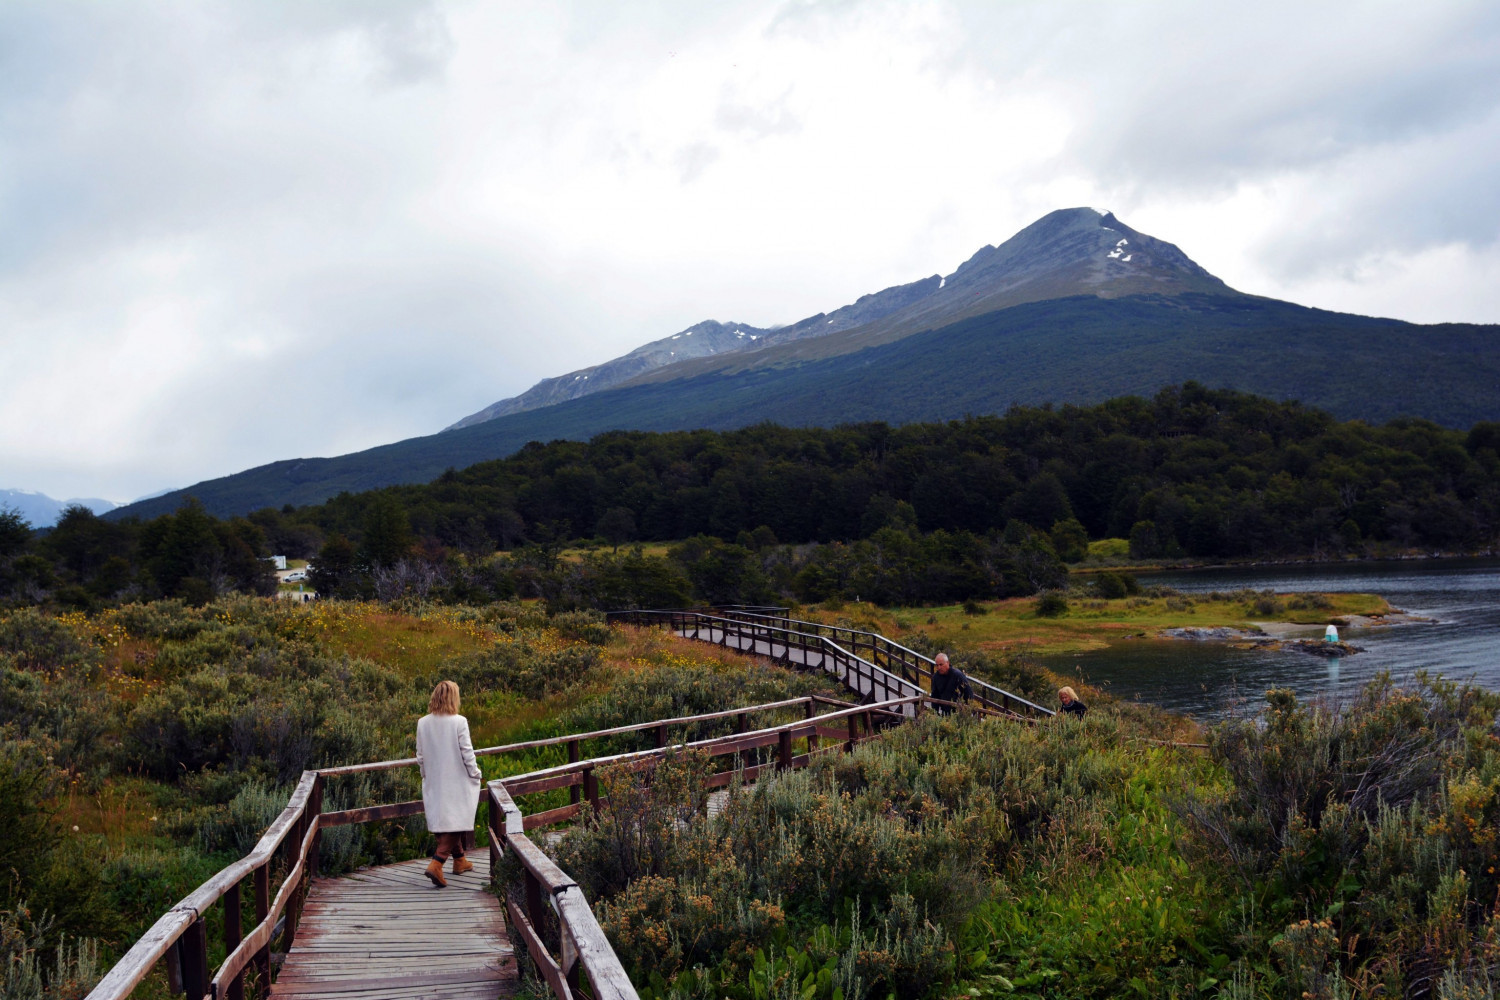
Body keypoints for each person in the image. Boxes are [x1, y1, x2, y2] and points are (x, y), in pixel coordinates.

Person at [416, 680, 483, 888]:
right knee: (458, 818)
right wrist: (475, 773)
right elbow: (467, 753)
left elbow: (420, 755)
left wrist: (425, 775)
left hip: (434, 779)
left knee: (442, 819)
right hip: (457, 779)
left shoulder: (423, 722)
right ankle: (437, 863)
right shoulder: (459, 721)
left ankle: (460, 860)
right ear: (454, 697)